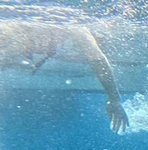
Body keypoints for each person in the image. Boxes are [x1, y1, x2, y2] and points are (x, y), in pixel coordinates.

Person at [0, 21, 129, 133]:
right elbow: (97, 59)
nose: (39, 45)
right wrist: (114, 99)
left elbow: (98, 60)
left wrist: (114, 99)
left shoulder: (75, 28)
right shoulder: (12, 34)